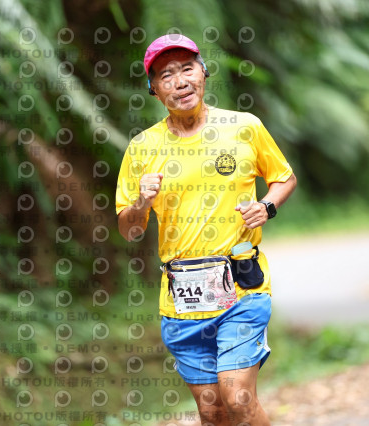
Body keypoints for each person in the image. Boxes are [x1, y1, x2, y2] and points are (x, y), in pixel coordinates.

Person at [116, 34, 297, 425]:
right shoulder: (142, 148)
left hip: (242, 289)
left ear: (203, 73)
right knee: (213, 412)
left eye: (187, 69)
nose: (180, 81)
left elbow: (284, 177)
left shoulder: (244, 127)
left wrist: (266, 206)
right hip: (182, 302)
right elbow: (129, 230)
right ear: (153, 88)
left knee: (238, 398)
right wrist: (141, 203)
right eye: (166, 75)